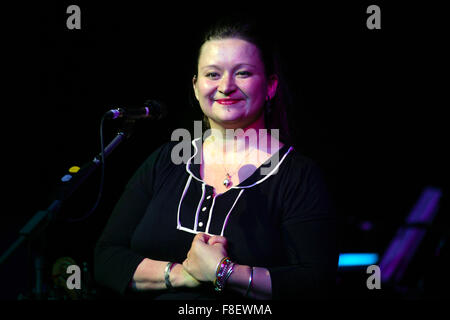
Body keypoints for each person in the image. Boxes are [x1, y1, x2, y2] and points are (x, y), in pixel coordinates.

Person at [94, 16, 338, 300]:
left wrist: (224, 272)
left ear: (271, 86)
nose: (226, 86)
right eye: (212, 74)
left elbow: (315, 281)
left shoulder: (298, 175)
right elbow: (106, 259)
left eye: (243, 73)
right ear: (196, 87)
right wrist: (184, 274)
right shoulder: (167, 160)